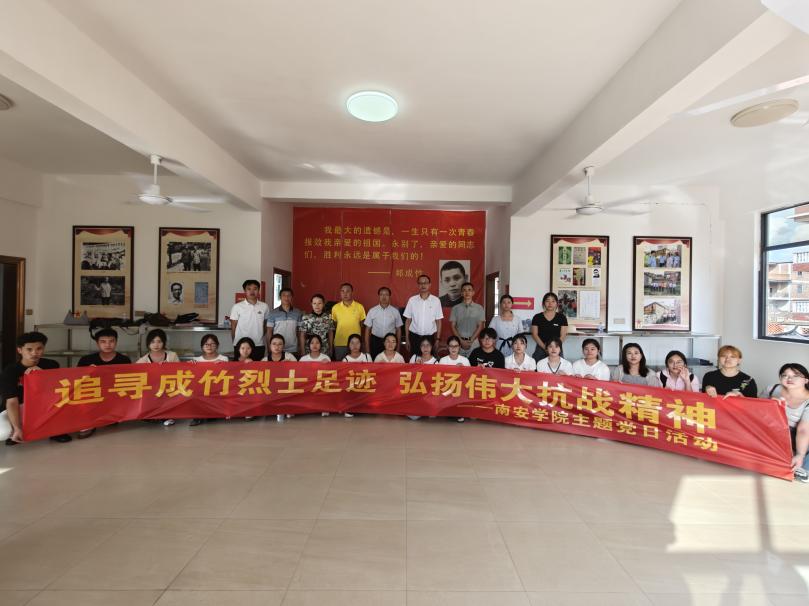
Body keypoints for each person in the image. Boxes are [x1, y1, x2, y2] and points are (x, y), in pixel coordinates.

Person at [2, 332, 71, 445]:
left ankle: (56, 431)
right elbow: (11, 401)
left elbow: (58, 391)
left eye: (39, 349)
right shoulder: (10, 371)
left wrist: (43, 376)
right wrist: (17, 427)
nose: (34, 353)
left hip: (42, 406)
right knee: (4, 432)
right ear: (20, 350)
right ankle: (16, 431)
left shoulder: (52, 365)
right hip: (20, 406)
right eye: (29, 349)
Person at [76, 328, 133, 438]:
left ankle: (110, 415)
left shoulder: (124, 360)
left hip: (114, 393)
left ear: (116, 342)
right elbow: (77, 381)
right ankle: (89, 423)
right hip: (93, 394)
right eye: (103, 342)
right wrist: (87, 372)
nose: (107, 345)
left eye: (111, 341)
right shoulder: (86, 360)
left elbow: (128, 381)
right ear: (97, 343)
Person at [136, 329, 181, 426]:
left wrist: (168, 368)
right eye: (152, 342)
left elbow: (180, 374)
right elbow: (135, 374)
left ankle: (167, 415)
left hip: (169, 388)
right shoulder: (143, 360)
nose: (156, 345)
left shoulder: (172, 355)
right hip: (151, 390)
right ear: (148, 343)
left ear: (164, 342)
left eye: (159, 341)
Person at [774, 363, 809, 482]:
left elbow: (803, 430)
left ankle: (803, 467)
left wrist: (800, 455)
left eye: (795, 375)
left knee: (800, 467)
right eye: (785, 375)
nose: (789, 378)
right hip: (776, 432)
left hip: (801, 436)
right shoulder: (773, 389)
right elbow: (755, 410)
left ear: (806, 380)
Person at [189, 333, 229, 426]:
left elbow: (229, 375)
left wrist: (224, 364)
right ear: (202, 346)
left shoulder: (223, 358)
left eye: (212, 344)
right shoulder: (196, 360)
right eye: (206, 344)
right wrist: (190, 366)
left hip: (218, 389)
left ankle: (211, 413)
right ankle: (197, 417)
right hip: (201, 390)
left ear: (217, 345)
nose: (209, 346)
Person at [404, 274, 443, 358]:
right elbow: (408, 320)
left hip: (430, 338)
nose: (423, 285)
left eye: (425, 283)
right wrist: (407, 339)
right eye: (421, 283)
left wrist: (437, 339)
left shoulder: (436, 301)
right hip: (414, 337)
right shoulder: (412, 300)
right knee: (414, 360)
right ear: (418, 285)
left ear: (430, 284)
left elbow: (438, 321)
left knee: (429, 361)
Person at [229, 279, 270, 361]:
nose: (252, 291)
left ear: (258, 290)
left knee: (257, 367)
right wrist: (236, 342)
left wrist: (259, 335)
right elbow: (233, 327)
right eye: (249, 289)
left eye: (255, 289)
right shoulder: (237, 307)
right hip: (241, 345)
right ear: (245, 291)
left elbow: (265, 325)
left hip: (258, 344)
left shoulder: (264, 306)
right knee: (240, 367)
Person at [364, 286, 403, 360]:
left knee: (390, 362)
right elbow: (367, 330)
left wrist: (398, 348)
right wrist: (367, 349)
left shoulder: (395, 311)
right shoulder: (372, 311)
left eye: (386, 294)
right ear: (379, 296)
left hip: (390, 342)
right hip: (376, 341)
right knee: (375, 362)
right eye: (381, 294)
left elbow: (398, 329)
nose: (384, 297)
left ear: (389, 296)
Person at [331, 283, 366, 362]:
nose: (345, 294)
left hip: (355, 343)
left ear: (352, 292)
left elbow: (362, 324)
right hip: (340, 342)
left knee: (356, 366)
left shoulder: (360, 307)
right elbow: (335, 324)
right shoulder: (335, 308)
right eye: (342, 291)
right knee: (340, 366)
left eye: (347, 291)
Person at [449, 282, 484, 357]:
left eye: (469, 290)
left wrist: (471, 340)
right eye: (464, 290)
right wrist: (460, 341)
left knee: (474, 363)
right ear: (461, 293)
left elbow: (480, 326)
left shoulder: (479, 308)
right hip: (459, 342)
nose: (467, 292)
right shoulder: (455, 308)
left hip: (474, 342)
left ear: (473, 292)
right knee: (458, 363)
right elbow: (453, 326)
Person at [530, 292, 569, 361]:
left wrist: (554, 347)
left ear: (556, 303)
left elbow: (563, 335)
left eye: (553, 301)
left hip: (556, 348)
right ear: (544, 303)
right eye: (547, 301)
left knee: (558, 366)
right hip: (541, 347)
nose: (550, 303)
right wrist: (545, 347)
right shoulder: (537, 317)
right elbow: (534, 334)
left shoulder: (562, 317)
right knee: (538, 366)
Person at [267, 334, 297, 422]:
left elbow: (299, 371)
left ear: (283, 346)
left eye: (280, 344)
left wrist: (290, 365)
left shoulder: (289, 356)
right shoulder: (265, 359)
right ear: (270, 345)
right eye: (274, 344)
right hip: (272, 388)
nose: (277, 346)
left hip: (287, 386)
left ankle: (286, 408)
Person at [266, 287, 302, 357]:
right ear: (280, 297)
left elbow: (299, 332)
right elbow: (269, 331)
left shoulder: (298, 312)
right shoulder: (273, 313)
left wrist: (300, 346)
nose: (286, 298)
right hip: (277, 348)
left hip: (293, 348)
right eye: (284, 295)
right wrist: (269, 348)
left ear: (292, 297)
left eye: (289, 295)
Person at [341, 333, 371, 418]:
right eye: (352, 343)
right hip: (352, 388)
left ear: (361, 344)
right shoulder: (345, 360)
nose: (355, 345)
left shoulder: (367, 357)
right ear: (348, 345)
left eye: (357, 343)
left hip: (365, 386)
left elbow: (372, 373)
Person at [298, 293, 335, 358]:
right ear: (311, 304)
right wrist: (302, 350)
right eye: (314, 303)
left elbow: (330, 333)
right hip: (310, 349)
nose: (317, 305)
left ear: (323, 304)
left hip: (324, 348)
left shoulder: (328, 318)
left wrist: (331, 348)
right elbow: (302, 335)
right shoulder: (306, 318)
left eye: (319, 303)